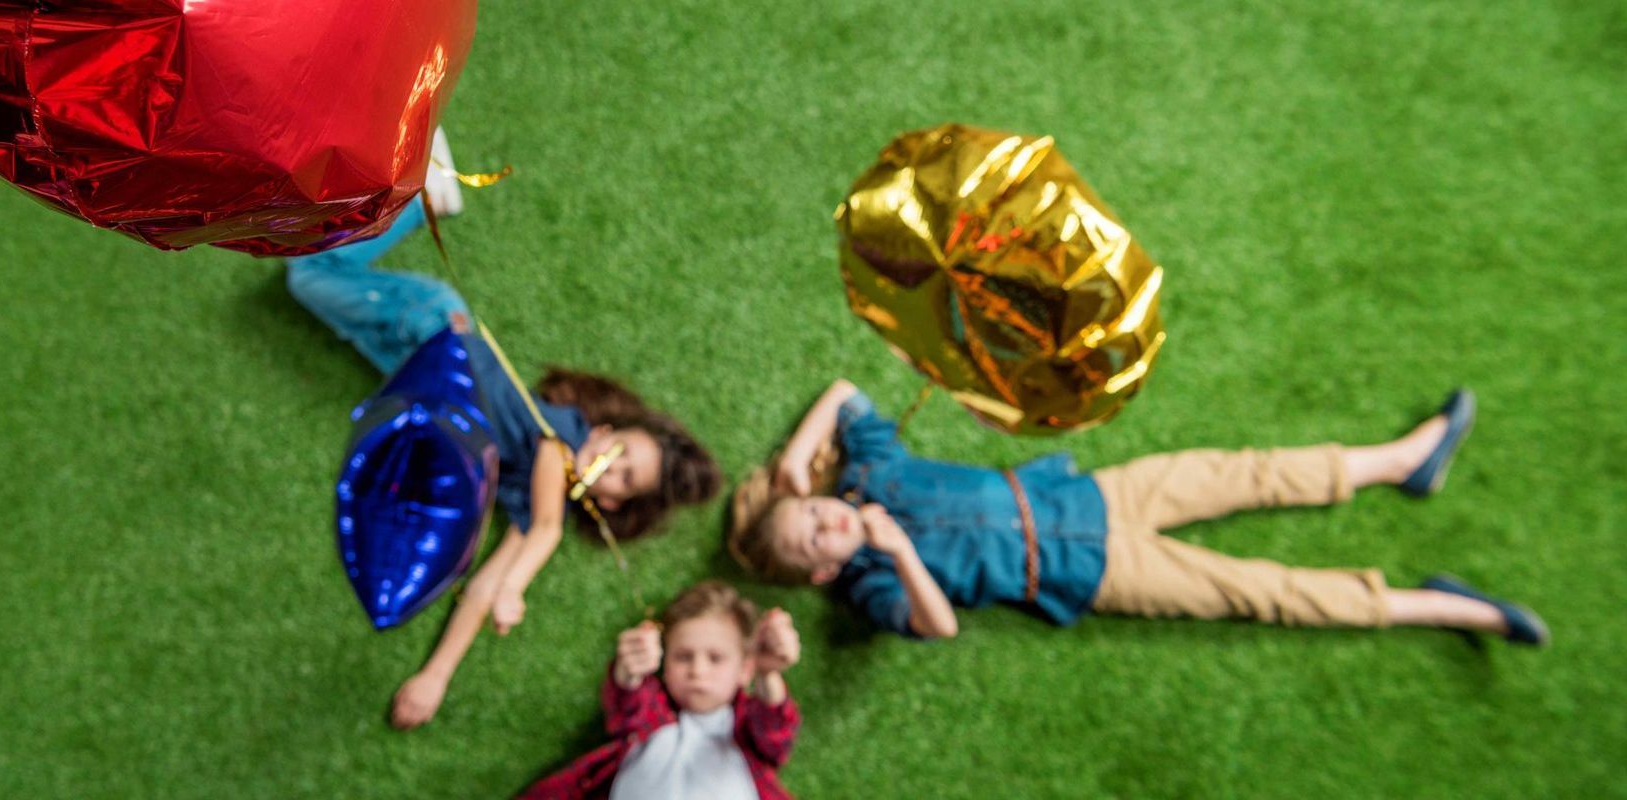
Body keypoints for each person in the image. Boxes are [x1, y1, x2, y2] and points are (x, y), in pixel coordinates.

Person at [287, 130, 723, 728]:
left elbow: (486, 582)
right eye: (617, 450)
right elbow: (542, 532)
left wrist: (434, 676)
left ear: (616, 501)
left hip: (423, 376)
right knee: (310, 278)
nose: (606, 464)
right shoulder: (559, 438)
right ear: (600, 430)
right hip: (436, 332)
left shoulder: (540, 492)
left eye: (622, 475)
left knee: (323, 290)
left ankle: (421, 196)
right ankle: (424, 197)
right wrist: (519, 584)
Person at [727, 379, 1547, 646]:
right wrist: (899, 552)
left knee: (1244, 473)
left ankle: (1402, 461)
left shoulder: (874, 470)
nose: (828, 525)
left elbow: (845, 392)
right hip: (1090, 569)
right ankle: (1437, 605)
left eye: (816, 513)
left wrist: (797, 461)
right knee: (1260, 591)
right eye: (815, 544)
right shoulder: (869, 582)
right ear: (824, 570)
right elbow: (937, 626)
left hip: (1081, 496)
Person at [519, 581, 802, 800]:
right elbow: (628, 704)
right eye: (683, 656)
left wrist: (769, 674)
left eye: (715, 658)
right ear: (664, 662)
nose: (698, 671)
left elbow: (775, 734)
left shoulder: (744, 731)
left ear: (745, 669)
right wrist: (630, 668)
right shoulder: (654, 715)